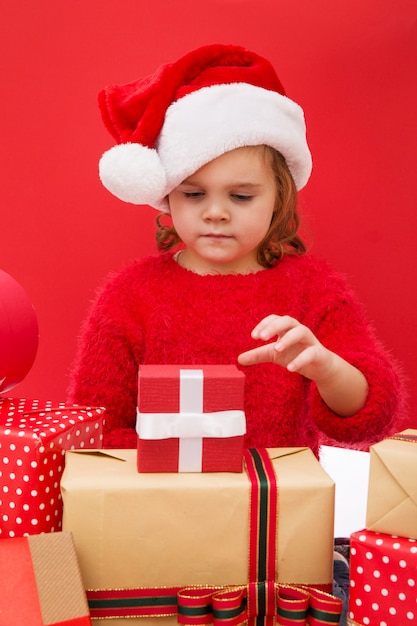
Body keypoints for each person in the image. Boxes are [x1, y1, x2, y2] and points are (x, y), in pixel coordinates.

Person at [68, 44, 406, 624]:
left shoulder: (313, 291)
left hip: (278, 544)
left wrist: (325, 367)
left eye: (241, 195)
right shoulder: (131, 296)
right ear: (165, 197)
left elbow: (372, 416)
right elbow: (97, 431)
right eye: (194, 194)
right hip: (157, 537)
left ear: (280, 200)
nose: (216, 212)